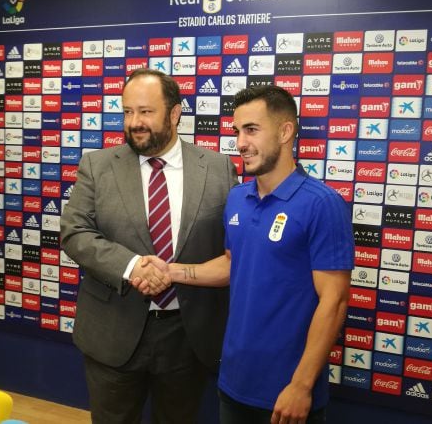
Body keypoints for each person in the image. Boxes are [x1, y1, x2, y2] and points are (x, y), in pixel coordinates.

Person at [135, 85, 354, 423]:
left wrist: (301, 384)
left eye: (251, 130)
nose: (240, 143)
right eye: (237, 131)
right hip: (234, 381)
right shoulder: (237, 197)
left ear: (285, 132)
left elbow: (335, 301)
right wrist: (171, 271)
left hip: (288, 392)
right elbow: (232, 264)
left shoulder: (322, 204)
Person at [60, 68, 238, 424]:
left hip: (188, 335)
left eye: (145, 111)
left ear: (174, 113)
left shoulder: (218, 168)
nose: (134, 122)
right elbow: (74, 232)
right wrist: (131, 267)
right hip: (113, 331)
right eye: (128, 111)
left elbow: (232, 248)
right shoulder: (96, 166)